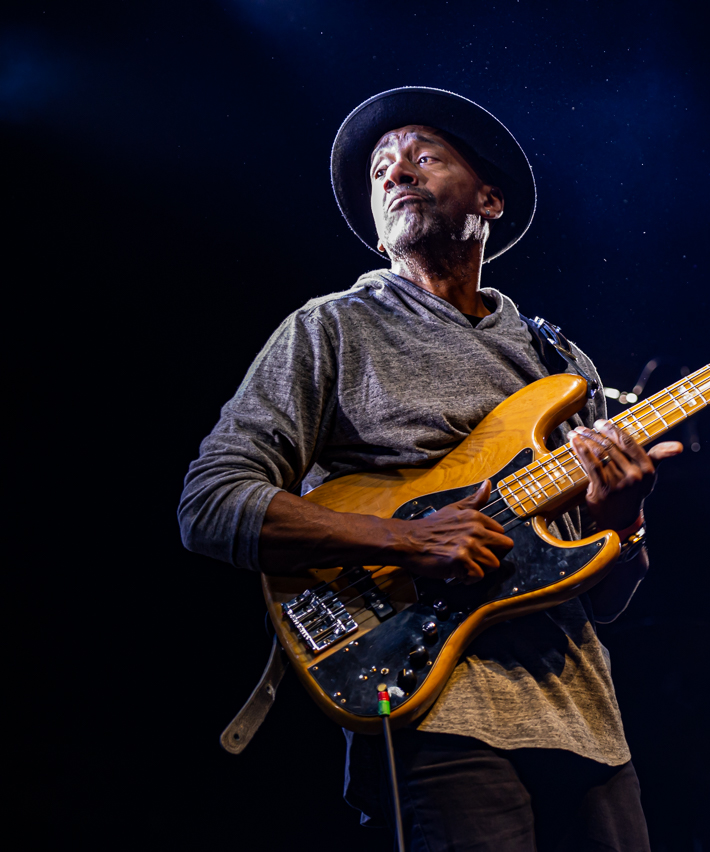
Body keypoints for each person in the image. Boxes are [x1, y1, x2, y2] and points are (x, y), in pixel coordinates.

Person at [178, 87, 681, 852]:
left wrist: (624, 519)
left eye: (424, 155)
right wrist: (406, 540)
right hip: (434, 713)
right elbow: (212, 504)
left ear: (489, 200)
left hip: (586, 727)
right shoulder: (330, 329)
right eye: (382, 167)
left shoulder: (560, 360)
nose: (396, 171)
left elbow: (604, 599)